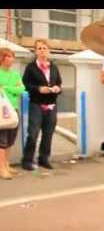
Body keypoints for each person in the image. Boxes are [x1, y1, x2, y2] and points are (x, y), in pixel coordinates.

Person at [21, 39, 62, 171]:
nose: (42, 50)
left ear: (48, 51)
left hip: (51, 105)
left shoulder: (54, 67)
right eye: (39, 48)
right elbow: (25, 85)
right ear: (35, 51)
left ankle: (43, 159)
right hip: (36, 104)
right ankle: (27, 160)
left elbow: (59, 84)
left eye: (44, 48)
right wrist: (39, 89)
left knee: (48, 134)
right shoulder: (31, 68)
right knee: (33, 133)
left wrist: (57, 88)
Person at [0, 48, 25, 179]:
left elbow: (21, 89)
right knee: (2, 140)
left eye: (12, 56)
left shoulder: (15, 74)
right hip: (1, 111)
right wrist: (12, 90)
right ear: (2, 58)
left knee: (10, 139)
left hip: (13, 109)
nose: (12, 59)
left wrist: (6, 88)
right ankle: (2, 168)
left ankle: (6, 164)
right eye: (9, 56)